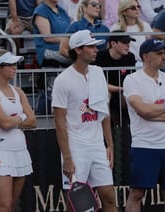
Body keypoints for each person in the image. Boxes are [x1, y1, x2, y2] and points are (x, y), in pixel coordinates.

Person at [51, 30, 117, 212]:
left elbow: (103, 112)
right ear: (78, 50)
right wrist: (67, 157)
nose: (96, 50)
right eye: (91, 46)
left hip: (97, 145)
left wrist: (109, 145)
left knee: (109, 196)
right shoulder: (62, 80)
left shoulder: (98, 73)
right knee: (76, 204)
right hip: (76, 146)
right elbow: (59, 123)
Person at [123, 38, 165, 212]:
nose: (164, 56)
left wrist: (153, 114)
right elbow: (143, 110)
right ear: (145, 57)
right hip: (144, 144)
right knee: (137, 193)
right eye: (159, 53)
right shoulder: (132, 80)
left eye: (164, 52)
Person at [0, 49, 37, 211]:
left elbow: (33, 121)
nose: (15, 68)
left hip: (20, 151)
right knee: (4, 205)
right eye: (10, 65)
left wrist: (14, 120)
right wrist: (21, 116)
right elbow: (4, 124)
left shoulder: (18, 91)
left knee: (11, 205)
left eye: (15, 64)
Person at [93, 30, 137, 127]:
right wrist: (121, 89)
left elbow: (132, 80)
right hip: (104, 92)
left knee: (133, 95)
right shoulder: (99, 57)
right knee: (106, 95)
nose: (128, 45)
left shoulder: (130, 57)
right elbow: (98, 84)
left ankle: (133, 126)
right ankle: (107, 128)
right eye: (124, 42)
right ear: (113, 43)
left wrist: (124, 90)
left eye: (129, 42)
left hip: (123, 93)